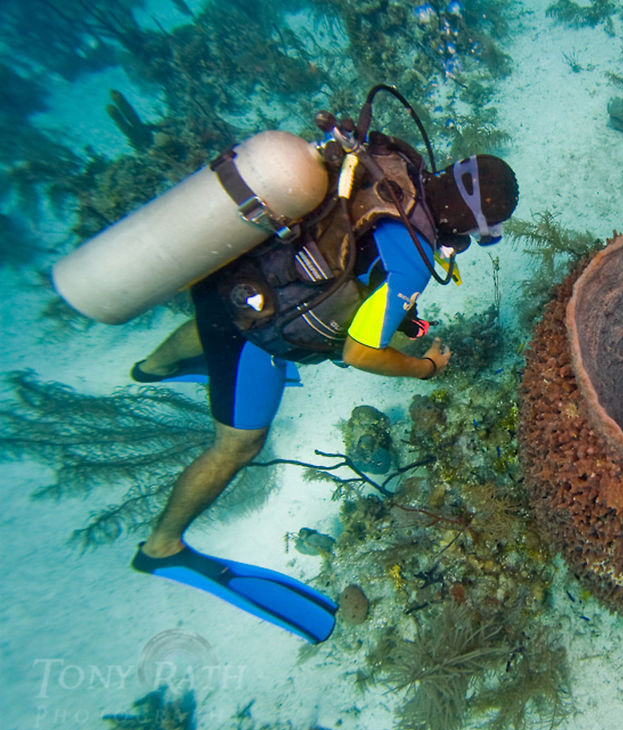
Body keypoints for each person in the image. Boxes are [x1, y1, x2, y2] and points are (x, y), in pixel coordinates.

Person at [128, 115, 518, 644]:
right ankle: (163, 547)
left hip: (231, 273)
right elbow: (360, 350)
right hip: (253, 334)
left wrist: (410, 326)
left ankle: (152, 368)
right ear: (474, 229)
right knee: (240, 445)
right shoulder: (413, 261)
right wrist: (426, 368)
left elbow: (363, 277)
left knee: (214, 323)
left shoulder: (392, 161)